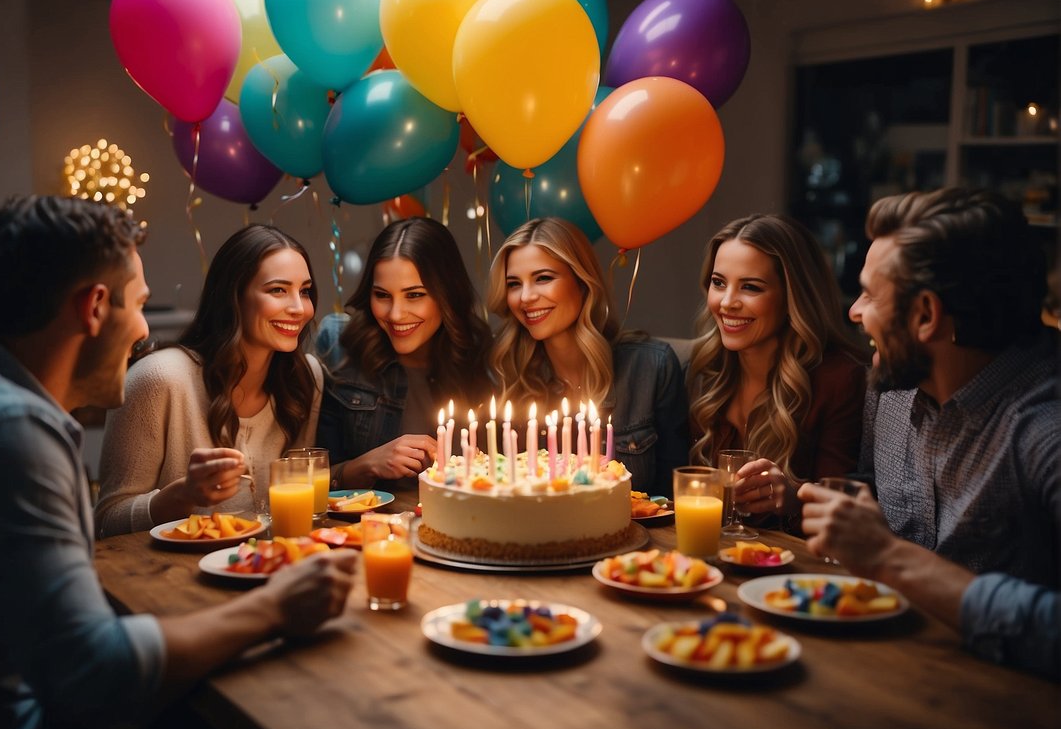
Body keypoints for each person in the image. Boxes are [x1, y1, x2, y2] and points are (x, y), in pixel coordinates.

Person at [0, 197, 357, 729]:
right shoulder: (9, 432)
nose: (144, 330)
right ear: (94, 307)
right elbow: (100, 683)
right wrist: (275, 609)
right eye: (139, 304)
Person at [799, 187, 1058, 681]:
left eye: (870, 294)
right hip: (881, 665)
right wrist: (805, 496)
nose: (854, 312)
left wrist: (888, 555)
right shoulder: (894, 382)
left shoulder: (1045, 427)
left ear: (925, 315)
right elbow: (875, 493)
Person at [96, 224, 324, 536]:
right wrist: (181, 496)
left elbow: (299, 499)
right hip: (167, 579)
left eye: (305, 291)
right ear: (234, 298)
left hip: (268, 568)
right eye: (278, 290)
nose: (299, 308)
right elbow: (106, 521)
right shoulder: (159, 379)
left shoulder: (305, 377)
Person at [686, 214, 868, 528]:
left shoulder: (839, 380)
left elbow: (844, 514)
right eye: (718, 283)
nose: (727, 302)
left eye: (751, 287)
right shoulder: (708, 369)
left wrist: (794, 496)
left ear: (791, 296)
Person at [488, 218, 688, 495]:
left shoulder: (652, 367)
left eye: (543, 278)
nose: (525, 297)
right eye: (513, 284)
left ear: (582, 281)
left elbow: (672, 497)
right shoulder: (507, 372)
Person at [316, 217, 493, 491]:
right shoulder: (340, 345)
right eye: (382, 295)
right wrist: (365, 465)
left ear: (447, 294)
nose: (396, 314)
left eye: (414, 295)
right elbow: (306, 475)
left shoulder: (481, 357)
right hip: (363, 531)